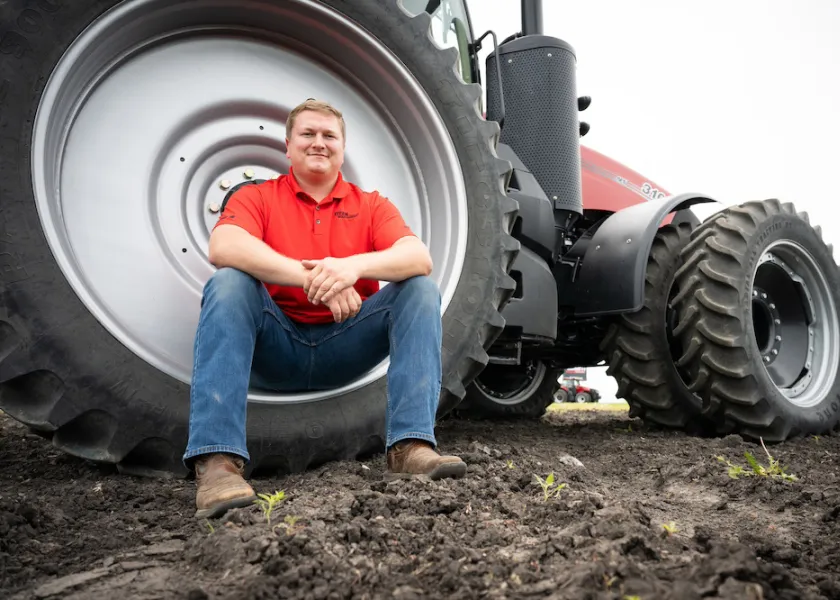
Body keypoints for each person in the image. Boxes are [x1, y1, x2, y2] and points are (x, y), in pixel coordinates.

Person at [182, 99, 467, 519]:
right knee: (228, 282)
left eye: (329, 135)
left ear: (342, 146)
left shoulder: (370, 205)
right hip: (275, 344)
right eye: (308, 134)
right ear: (288, 145)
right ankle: (218, 464)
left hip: (346, 343)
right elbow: (224, 246)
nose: (319, 143)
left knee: (420, 290)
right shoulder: (259, 197)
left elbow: (417, 257)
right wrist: (313, 278)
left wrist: (351, 267)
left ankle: (410, 447)